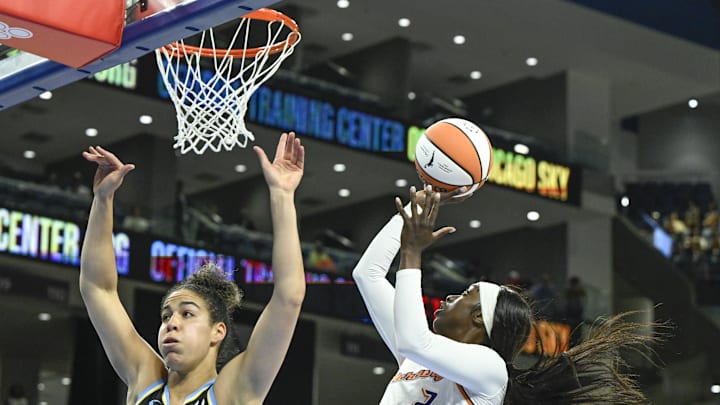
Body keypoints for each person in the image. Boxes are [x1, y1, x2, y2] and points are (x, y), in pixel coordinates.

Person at [353, 185, 665, 404]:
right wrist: (416, 207)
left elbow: (413, 340)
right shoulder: (418, 358)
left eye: (465, 294)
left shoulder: (489, 368)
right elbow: (367, 274)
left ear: (480, 317)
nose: (449, 298)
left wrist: (412, 252)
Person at [79, 132, 306, 404]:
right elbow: (98, 289)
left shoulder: (233, 391)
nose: (171, 324)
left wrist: (282, 195)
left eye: (187, 314)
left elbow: (288, 297)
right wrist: (103, 200)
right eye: (166, 317)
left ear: (217, 331)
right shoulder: (145, 379)